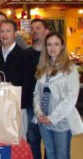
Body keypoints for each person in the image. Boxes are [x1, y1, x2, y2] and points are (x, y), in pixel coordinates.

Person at [33, 31, 83, 159]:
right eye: (49, 44)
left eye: (56, 44)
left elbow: (71, 97)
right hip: (43, 119)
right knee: (50, 154)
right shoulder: (43, 67)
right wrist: (39, 113)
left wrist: (53, 117)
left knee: (62, 155)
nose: (52, 48)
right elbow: (37, 94)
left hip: (61, 119)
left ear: (62, 46)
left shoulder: (70, 68)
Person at [0, 20, 33, 140]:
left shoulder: (25, 56)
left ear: (15, 34)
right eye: (2, 31)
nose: (4, 34)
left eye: (8, 31)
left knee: (18, 142)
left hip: (17, 108)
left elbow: (28, 84)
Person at [27, 19, 50, 159]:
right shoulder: (25, 54)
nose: (35, 31)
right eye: (33, 28)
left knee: (49, 142)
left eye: (38, 28)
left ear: (46, 31)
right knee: (32, 141)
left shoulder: (53, 54)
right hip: (30, 105)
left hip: (49, 106)